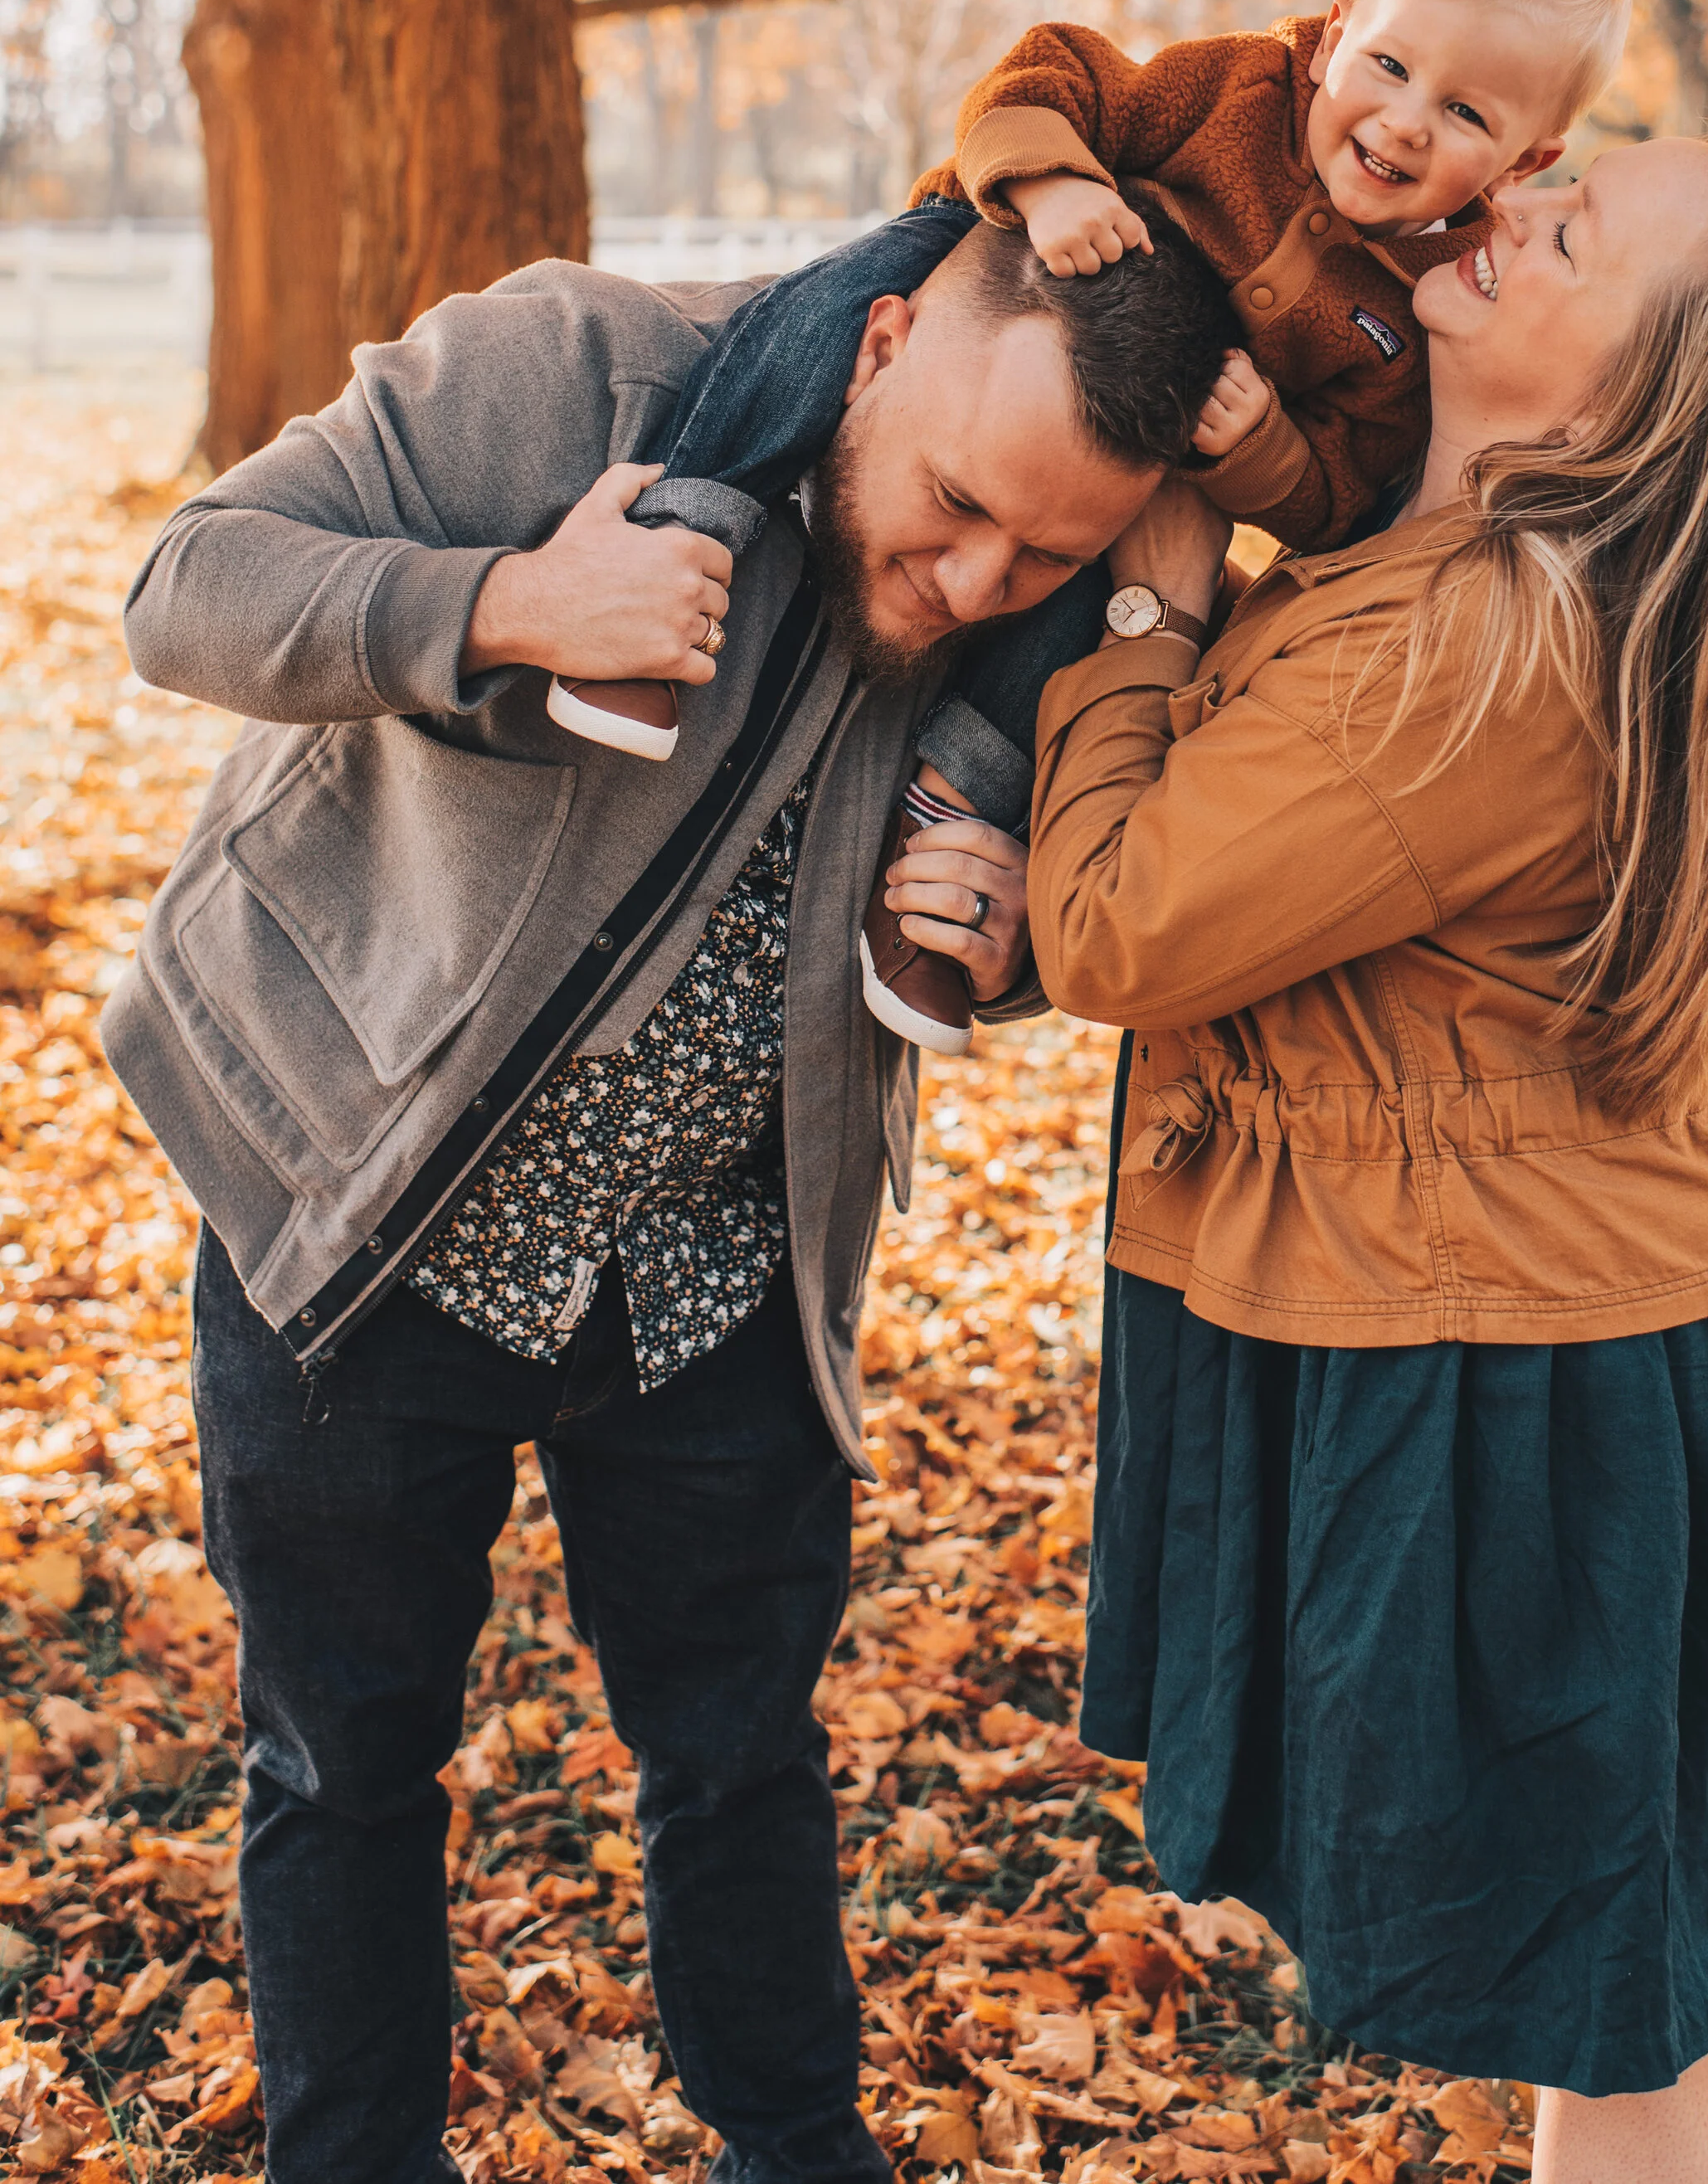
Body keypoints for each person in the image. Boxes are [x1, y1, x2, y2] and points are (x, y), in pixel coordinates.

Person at [103, 217, 1231, 2184]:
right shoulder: (580, 371)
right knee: (344, 1762)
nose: (974, 582)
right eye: (957, 506)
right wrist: (508, 599)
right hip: (359, 1212)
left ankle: (792, 2154)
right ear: (881, 344)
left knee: (737, 1761)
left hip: (714, 1271)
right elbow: (183, 588)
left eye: (1041, 559)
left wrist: (1020, 933)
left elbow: (1053, 868)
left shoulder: (1054, 583)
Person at [1024, 142, 1708, 2182]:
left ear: (1612, 412)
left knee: (1607, 2022)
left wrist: (1153, 620)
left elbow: (1117, 927)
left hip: (1516, 1379)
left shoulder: (1480, 656)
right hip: (1554, 1322)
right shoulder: (1471, 578)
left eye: (1569, 232)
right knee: (1598, 2007)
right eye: (1560, 175)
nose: (1508, 202)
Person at [551, 0, 1630, 1067]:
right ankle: (681, 530)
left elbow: (1334, 494)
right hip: (1004, 278)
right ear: (1333, 34)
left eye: (1465, 111)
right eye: (1390, 64)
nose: (1408, 122)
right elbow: (1048, 73)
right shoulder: (1234, 94)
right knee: (820, 322)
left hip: (1131, 447)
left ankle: (945, 828)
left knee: (1062, 610)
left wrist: (1263, 451)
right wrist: (1053, 181)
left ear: (1526, 161)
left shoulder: (1409, 305)